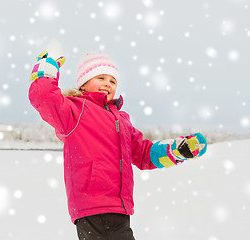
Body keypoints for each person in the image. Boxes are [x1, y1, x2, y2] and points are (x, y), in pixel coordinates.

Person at [28, 51, 207, 240]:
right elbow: (44, 98)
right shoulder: (75, 111)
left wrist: (177, 150)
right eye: (100, 77)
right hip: (94, 204)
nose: (108, 83)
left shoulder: (121, 120)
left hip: (119, 206)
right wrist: (46, 73)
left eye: (113, 81)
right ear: (84, 83)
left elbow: (145, 153)